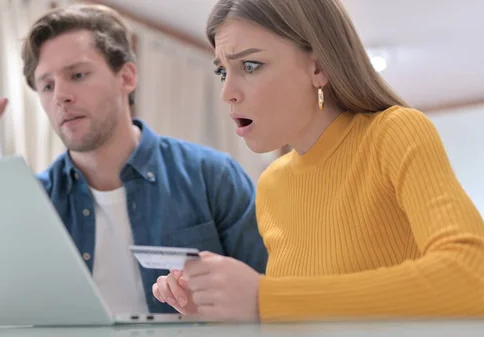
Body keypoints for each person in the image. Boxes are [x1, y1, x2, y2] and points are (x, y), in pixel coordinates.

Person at [0, 4, 268, 325]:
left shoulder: (213, 176)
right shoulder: (30, 203)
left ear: (127, 77)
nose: (61, 96)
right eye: (47, 85)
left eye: (77, 75)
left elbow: (267, 296)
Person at [153, 0, 484, 322]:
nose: (227, 92)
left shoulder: (394, 133)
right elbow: (303, 313)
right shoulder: (272, 184)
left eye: (250, 66)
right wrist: (223, 310)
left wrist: (262, 298)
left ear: (318, 67)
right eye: (222, 72)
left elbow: (473, 275)